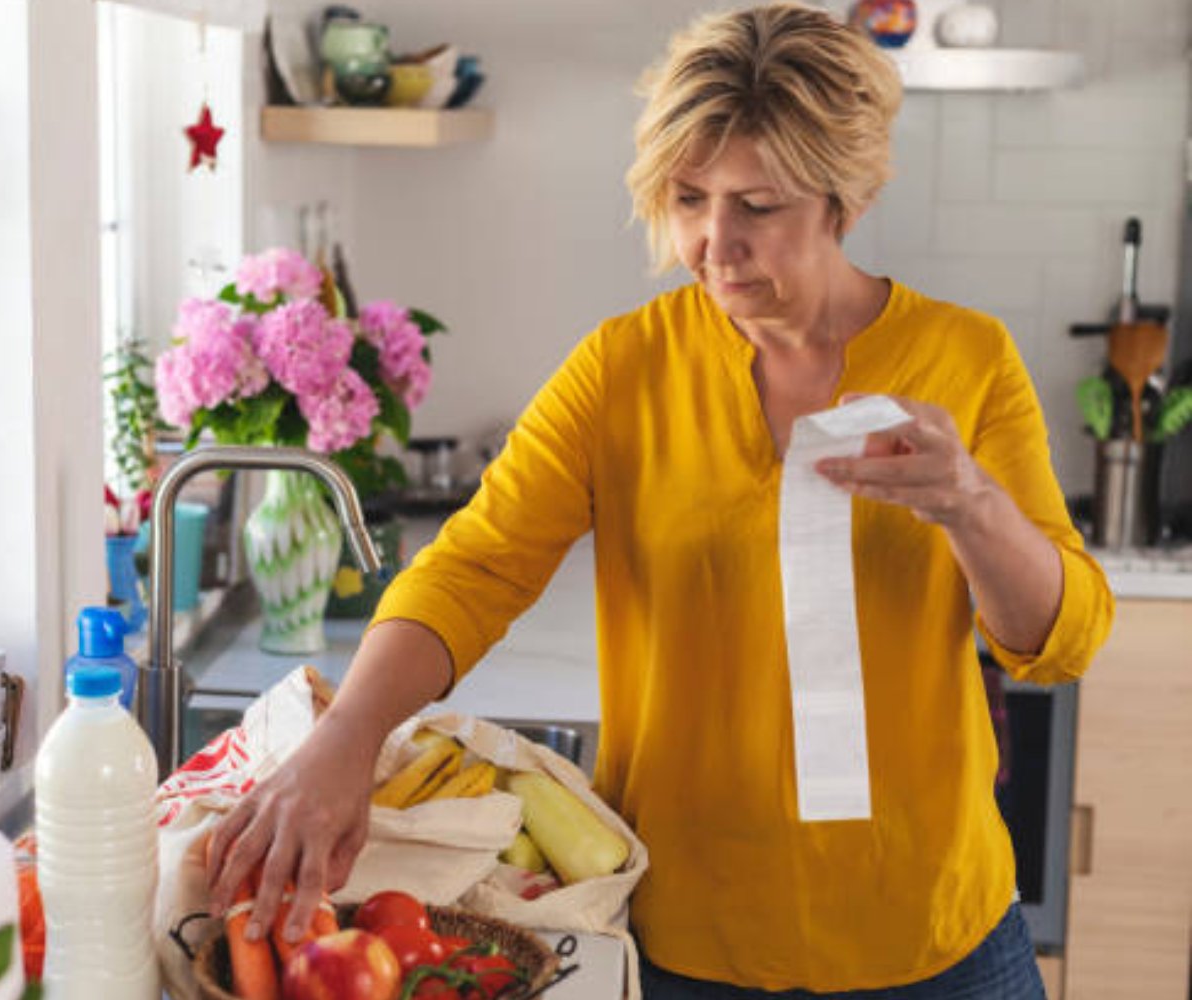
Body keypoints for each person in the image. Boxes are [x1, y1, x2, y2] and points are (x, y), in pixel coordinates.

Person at [206, 4, 1114, 996]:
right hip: (690, 943)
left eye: (756, 205)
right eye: (688, 198)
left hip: (938, 938)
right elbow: (476, 564)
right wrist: (346, 738)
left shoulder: (964, 359)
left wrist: (973, 506)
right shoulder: (624, 370)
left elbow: (1060, 637)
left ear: (841, 197)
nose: (714, 244)